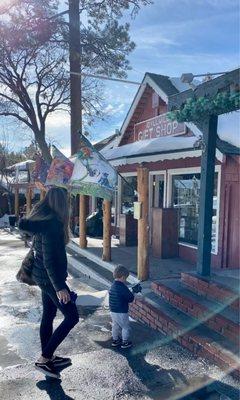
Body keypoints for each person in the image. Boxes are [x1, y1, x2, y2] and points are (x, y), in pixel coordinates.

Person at [19, 187, 79, 379]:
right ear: (62, 203)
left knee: (49, 314)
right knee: (72, 317)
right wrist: (60, 286)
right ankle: (44, 358)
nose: (69, 205)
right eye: (68, 201)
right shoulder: (51, 224)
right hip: (49, 278)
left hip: (43, 277)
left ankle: (49, 357)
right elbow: (49, 260)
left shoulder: (44, 220)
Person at [109, 265, 134, 349]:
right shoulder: (123, 287)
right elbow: (130, 298)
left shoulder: (112, 285)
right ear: (123, 277)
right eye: (126, 278)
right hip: (122, 311)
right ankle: (125, 342)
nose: (126, 280)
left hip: (113, 310)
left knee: (115, 325)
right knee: (125, 327)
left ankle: (115, 340)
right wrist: (133, 293)